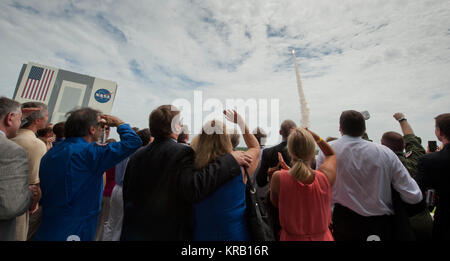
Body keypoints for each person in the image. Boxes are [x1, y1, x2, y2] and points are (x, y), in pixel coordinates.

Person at [120, 105, 252, 240]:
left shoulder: (137, 155)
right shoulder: (181, 152)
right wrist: (230, 160)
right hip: (166, 233)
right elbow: (194, 187)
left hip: (133, 230)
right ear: (176, 126)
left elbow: (127, 193)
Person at [33, 107, 142, 241]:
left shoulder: (51, 153)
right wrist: (119, 123)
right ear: (92, 129)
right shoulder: (90, 153)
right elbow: (133, 142)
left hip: (49, 224)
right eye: (100, 125)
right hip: (75, 229)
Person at [317, 110, 423, 241]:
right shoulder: (385, 153)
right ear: (364, 129)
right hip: (380, 225)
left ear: (340, 128)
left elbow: (322, 189)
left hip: (343, 224)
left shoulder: (327, 151)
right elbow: (413, 195)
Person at [191, 110, 260, 240]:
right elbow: (255, 147)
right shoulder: (240, 166)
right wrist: (241, 123)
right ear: (226, 140)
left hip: (202, 236)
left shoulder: (193, 170)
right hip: (236, 235)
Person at [270, 128, 336, 241]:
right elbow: (331, 154)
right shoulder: (324, 177)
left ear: (290, 151)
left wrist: (287, 171)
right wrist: (314, 136)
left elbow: (276, 203)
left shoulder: (278, 178)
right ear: (312, 151)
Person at [381, 112, 433, 240]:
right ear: (403, 146)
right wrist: (402, 119)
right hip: (422, 218)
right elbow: (411, 139)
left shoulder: (383, 166)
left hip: (399, 221)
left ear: (383, 147)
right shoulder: (417, 159)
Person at [103, 128, 152, 241]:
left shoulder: (126, 151)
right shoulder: (141, 154)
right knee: (120, 226)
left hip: (117, 187)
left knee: (111, 222)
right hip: (126, 189)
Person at [11, 102, 48, 241]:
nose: (47, 119)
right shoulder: (36, 144)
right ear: (37, 121)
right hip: (19, 204)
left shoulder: (8, 136)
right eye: (46, 116)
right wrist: (34, 203)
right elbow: (34, 182)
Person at [255, 119, 297, 240]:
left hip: (275, 202)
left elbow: (260, 181)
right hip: (297, 202)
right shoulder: (302, 153)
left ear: (280, 132)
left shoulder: (269, 152)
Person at [0, 97, 32, 241]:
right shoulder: (12, 150)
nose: (21, 125)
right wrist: (28, 194)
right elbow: (11, 206)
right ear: (9, 118)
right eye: (20, 120)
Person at [417, 113, 450, 240]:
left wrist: (430, 157)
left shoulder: (429, 161)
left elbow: (421, 192)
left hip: (445, 221)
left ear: (439, 132)